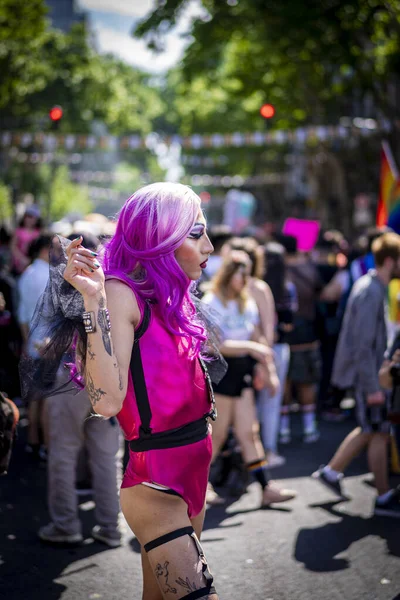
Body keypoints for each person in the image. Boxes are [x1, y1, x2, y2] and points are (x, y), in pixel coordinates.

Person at [61, 183, 220, 599]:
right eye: (196, 233)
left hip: (193, 470)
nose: (210, 245)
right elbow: (107, 401)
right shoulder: (120, 293)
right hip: (156, 483)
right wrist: (94, 302)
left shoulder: (171, 295)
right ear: (160, 238)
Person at [38, 232, 123, 547]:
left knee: (63, 452)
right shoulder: (113, 284)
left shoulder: (69, 281)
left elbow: (55, 334)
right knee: (106, 457)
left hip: (71, 380)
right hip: (106, 378)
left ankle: (66, 525)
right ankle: (110, 527)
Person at [312, 232, 400, 518]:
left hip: (373, 374)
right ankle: (384, 496)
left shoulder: (374, 286)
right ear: (390, 261)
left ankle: (331, 471)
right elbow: (362, 346)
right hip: (370, 376)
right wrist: (373, 385)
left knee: (372, 430)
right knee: (376, 431)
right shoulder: (370, 290)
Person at [202, 251, 296, 507]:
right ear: (228, 274)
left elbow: (257, 336)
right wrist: (253, 349)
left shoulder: (246, 301)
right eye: (240, 274)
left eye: (247, 274)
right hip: (221, 371)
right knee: (217, 435)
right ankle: (201, 486)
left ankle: (266, 487)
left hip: (242, 371)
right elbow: (213, 345)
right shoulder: (212, 299)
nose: (244, 280)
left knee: (249, 432)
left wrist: (269, 370)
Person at [10, 205, 42, 276]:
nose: (30, 219)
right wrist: (22, 258)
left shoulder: (39, 233)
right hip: (19, 265)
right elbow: (13, 247)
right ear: (24, 217)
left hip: (33, 264)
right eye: (29, 216)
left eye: (33, 217)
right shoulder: (18, 231)